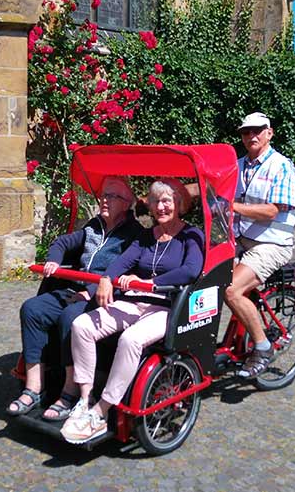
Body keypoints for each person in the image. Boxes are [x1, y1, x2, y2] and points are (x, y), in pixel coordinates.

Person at [60, 178, 204, 444]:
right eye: (155, 202)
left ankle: (101, 411)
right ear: (148, 206)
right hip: (134, 301)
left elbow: (191, 269)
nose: (160, 207)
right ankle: (84, 398)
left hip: (165, 306)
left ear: (179, 204)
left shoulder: (191, 235)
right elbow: (122, 261)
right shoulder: (146, 236)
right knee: (82, 325)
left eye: (166, 201)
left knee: (131, 339)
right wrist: (106, 278)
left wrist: (153, 282)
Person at [8, 176, 143, 419]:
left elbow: (129, 270)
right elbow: (62, 242)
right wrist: (54, 260)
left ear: (126, 204)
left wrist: (91, 291)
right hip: (75, 289)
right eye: (104, 195)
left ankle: (70, 393)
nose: (105, 200)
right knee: (32, 309)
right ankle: (34, 387)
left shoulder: (134, 235)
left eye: (112, 196)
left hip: (105, 296)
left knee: (71, 317)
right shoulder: (93, 226)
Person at [226, 111, 295, 379]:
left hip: (272, 243)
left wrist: (233, 207)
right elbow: (211, 185)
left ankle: (263, 347)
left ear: (269, 133)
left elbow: (272, 210)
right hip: (240, 241)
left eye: (257, 130)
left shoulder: (281, 166)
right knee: (202, 277)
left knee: (231, 290)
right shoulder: (238, 165)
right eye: (246, 132)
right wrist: (179, 192)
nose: (251, 136)